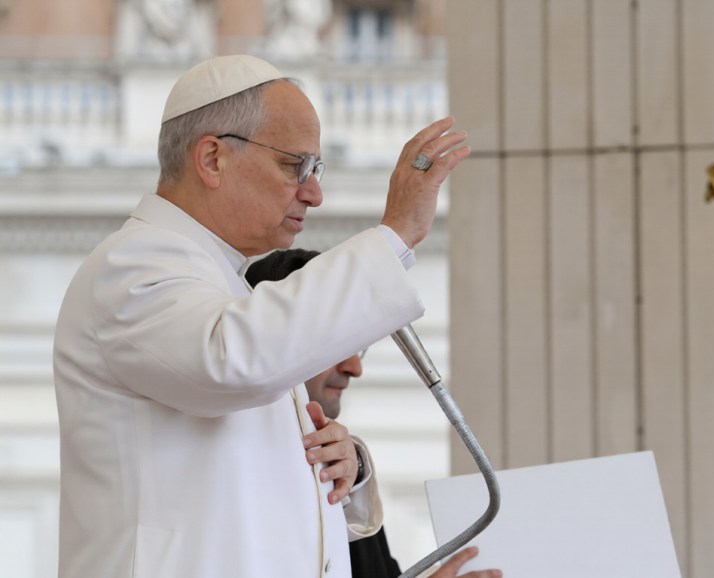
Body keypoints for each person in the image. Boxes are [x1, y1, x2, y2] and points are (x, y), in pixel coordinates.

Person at [53, 54, 469, 578]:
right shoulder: (132, 264)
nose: (314, 193)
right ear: (212, 159)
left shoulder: (223, 283)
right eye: (296, 166)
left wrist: (345, 466)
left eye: (316, 170)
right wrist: (395, 235)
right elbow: (235, 361)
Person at [246, 248, 501, 578]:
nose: (355, 367)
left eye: (359, 345)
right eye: (338, 343)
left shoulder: (342, 461)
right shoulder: (237, 466)